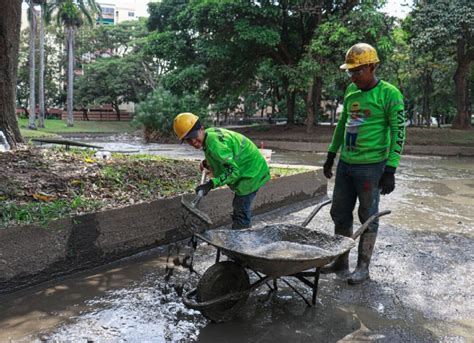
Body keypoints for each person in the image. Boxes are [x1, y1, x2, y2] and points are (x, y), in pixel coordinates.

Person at [322, 43, 406, 284]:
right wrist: (331, 155)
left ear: (371, 67)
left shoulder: (389, 94)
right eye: (350, 71)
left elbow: (399, 132)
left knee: (368, 216)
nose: (353, 76)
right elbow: (342, 125)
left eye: (357, 71)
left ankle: (363, 267)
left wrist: (391, 168)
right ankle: (340, 261)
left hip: (372, 166)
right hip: (346, 164)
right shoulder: (351, 91)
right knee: (339, 212)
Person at [173, 112, 270, 229]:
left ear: (201, 128)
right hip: (250, 165)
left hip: (251, 172)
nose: (193, 141)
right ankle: (240, 235)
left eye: (194, 136)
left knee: (241, 210)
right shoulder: (209, 135)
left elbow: (233, 172)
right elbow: (223, 154)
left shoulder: (215, 145)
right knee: (239, 207)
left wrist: (211, 184)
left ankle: (241, 242)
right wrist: (207, 163)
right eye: (188, 139)